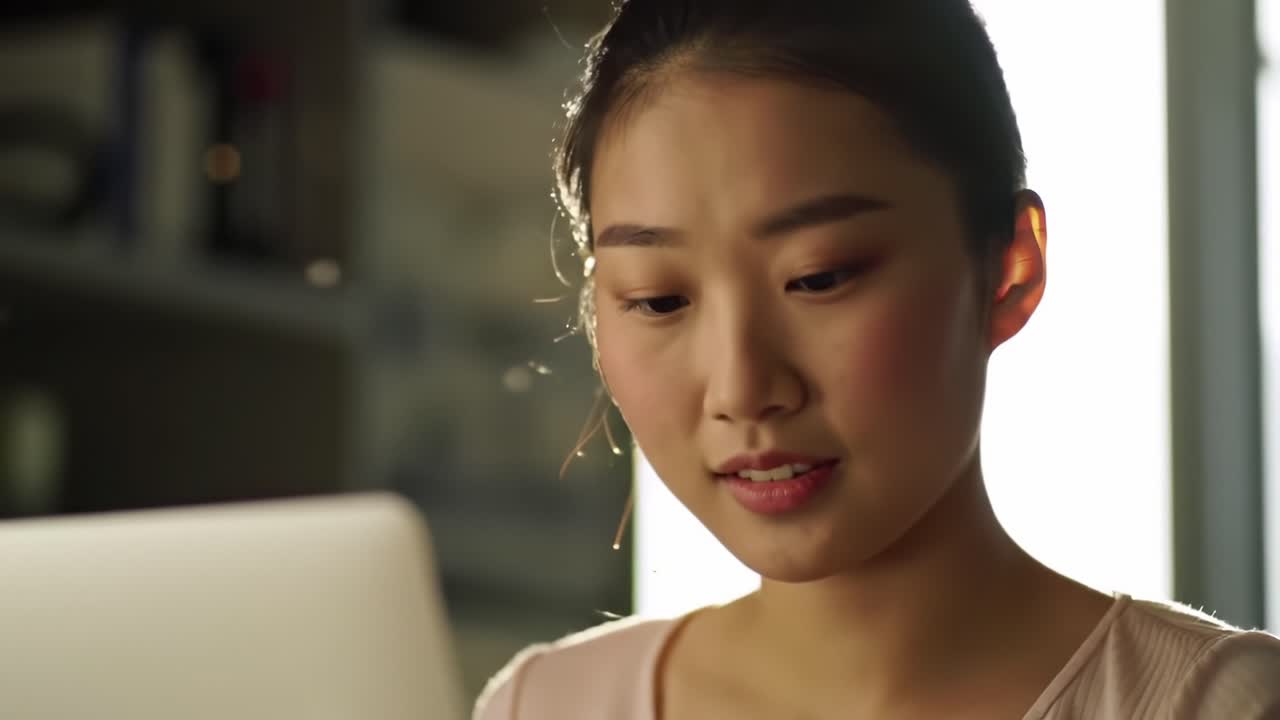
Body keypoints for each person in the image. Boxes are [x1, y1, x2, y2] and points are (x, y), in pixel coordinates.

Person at [474, 1, 1280, 718]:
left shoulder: (1213, 706)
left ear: (1009, 268)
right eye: (659, 300)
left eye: (819, 277)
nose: (743, 388)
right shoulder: (545, 706)